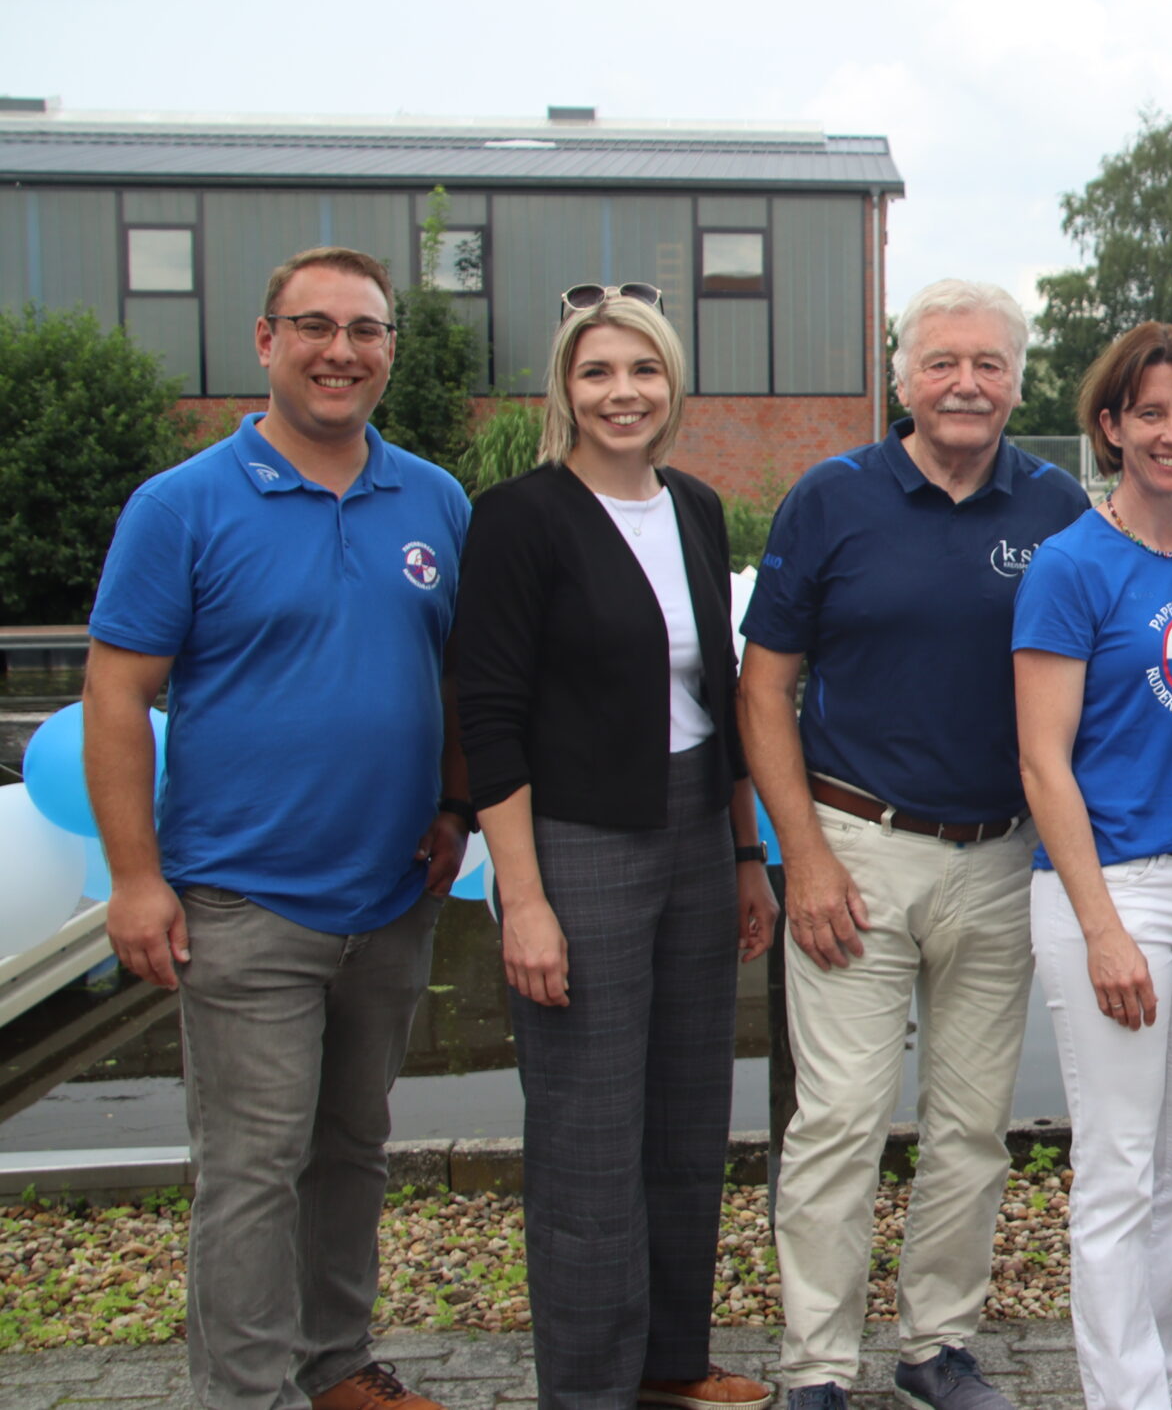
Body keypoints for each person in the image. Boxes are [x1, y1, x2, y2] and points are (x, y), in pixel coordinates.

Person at [84, 246, 472, 1410]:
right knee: (250, 1173)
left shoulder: (436, 500)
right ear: (265, 342)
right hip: (244, 901)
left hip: (392, 897)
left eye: (365, 330)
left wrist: (454, 805)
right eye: (314, 326)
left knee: (352, 1151)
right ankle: (244, 1394)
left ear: (390, 351)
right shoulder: (183, 505)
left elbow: (460, 681)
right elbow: (115, 696)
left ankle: (335, 1364)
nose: (340, 351)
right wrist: (134, 879)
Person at [740, 279, 1091, 1410]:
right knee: (839, 1122)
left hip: (1000, 856)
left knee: (970, 1125)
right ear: (901, 379)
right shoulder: (830, 498)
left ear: (1018, 382)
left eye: (988, 364)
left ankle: (935, 1344)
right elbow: (765, 690)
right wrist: (803, 855)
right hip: (857, 848)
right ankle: (814, 1369)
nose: (966, 384)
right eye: (942, 362)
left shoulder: (1057, 508)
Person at [448, 288, 779, 1410]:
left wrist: (745, 857)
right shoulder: (519, 518)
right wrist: (523, 899)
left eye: (642, 370)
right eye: (598, 373)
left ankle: (670, 1363)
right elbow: (486, 716)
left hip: (693, 831)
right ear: (566, 390)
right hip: (578, 840)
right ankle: (586, 1389)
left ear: (672, 384)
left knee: (688, 1116)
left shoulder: (692, 506)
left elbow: (722, 696)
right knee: (589, 1136)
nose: (622, 392)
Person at [1012, 322, 1172, 1410]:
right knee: (1116, 1168)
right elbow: (1040, 760)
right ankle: (1122, 1399)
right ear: (1109, 427)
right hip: (1116, 891)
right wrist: (1103, 925)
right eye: (1149, 413)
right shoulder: (1071, 565)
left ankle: (1163, 1376)